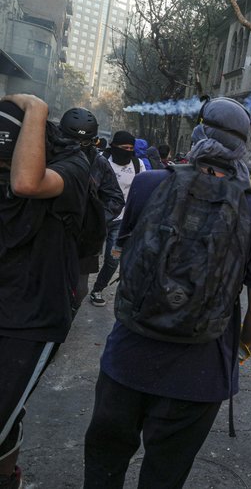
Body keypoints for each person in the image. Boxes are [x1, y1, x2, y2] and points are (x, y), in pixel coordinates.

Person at [83, 96, 251, 488]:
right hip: (200, 375)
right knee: (164, 476)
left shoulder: (147, 184)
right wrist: (241, 346)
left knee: (104, 466)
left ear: (198, 134)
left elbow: (127, 252)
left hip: (128, 358)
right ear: (241, 149)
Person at [0, 95, 90, 489]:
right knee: (8, 415)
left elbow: (25, 182)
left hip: (33, 319)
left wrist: (35, 108)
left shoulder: (72, 166)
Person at [58, 108, 124, 313]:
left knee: (79, 290)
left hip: (83, 240)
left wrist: (94, 220)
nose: (77, 147)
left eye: (84, 142)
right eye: (71, 141)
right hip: (51, 232)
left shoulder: (99, 162)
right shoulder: (48, 153)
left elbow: (116, 198)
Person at [89, 131, 146, 306]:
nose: (127, 151)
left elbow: (142, 189)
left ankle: (97, 289)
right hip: (98, 218)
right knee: (87, 256)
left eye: (130, 148)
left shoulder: (137, 164)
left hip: (121, 222)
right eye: (123, 148)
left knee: (113, 259)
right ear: (114, 146)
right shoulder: (102, 161)